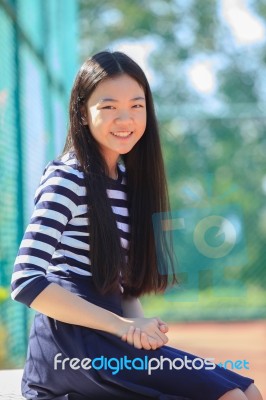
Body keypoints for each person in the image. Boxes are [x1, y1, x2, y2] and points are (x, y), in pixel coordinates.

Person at [11, 51, 262, 400]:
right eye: (109, 106)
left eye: (136, 105)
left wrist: (141, 331)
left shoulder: (128, 181)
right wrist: (124, 326)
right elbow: (26, 281)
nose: (125, 118)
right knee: (230, 397)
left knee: (249, 389)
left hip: (109, 338)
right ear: (82, 113)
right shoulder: (67, 178)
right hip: (69, 346)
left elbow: (122, 288)